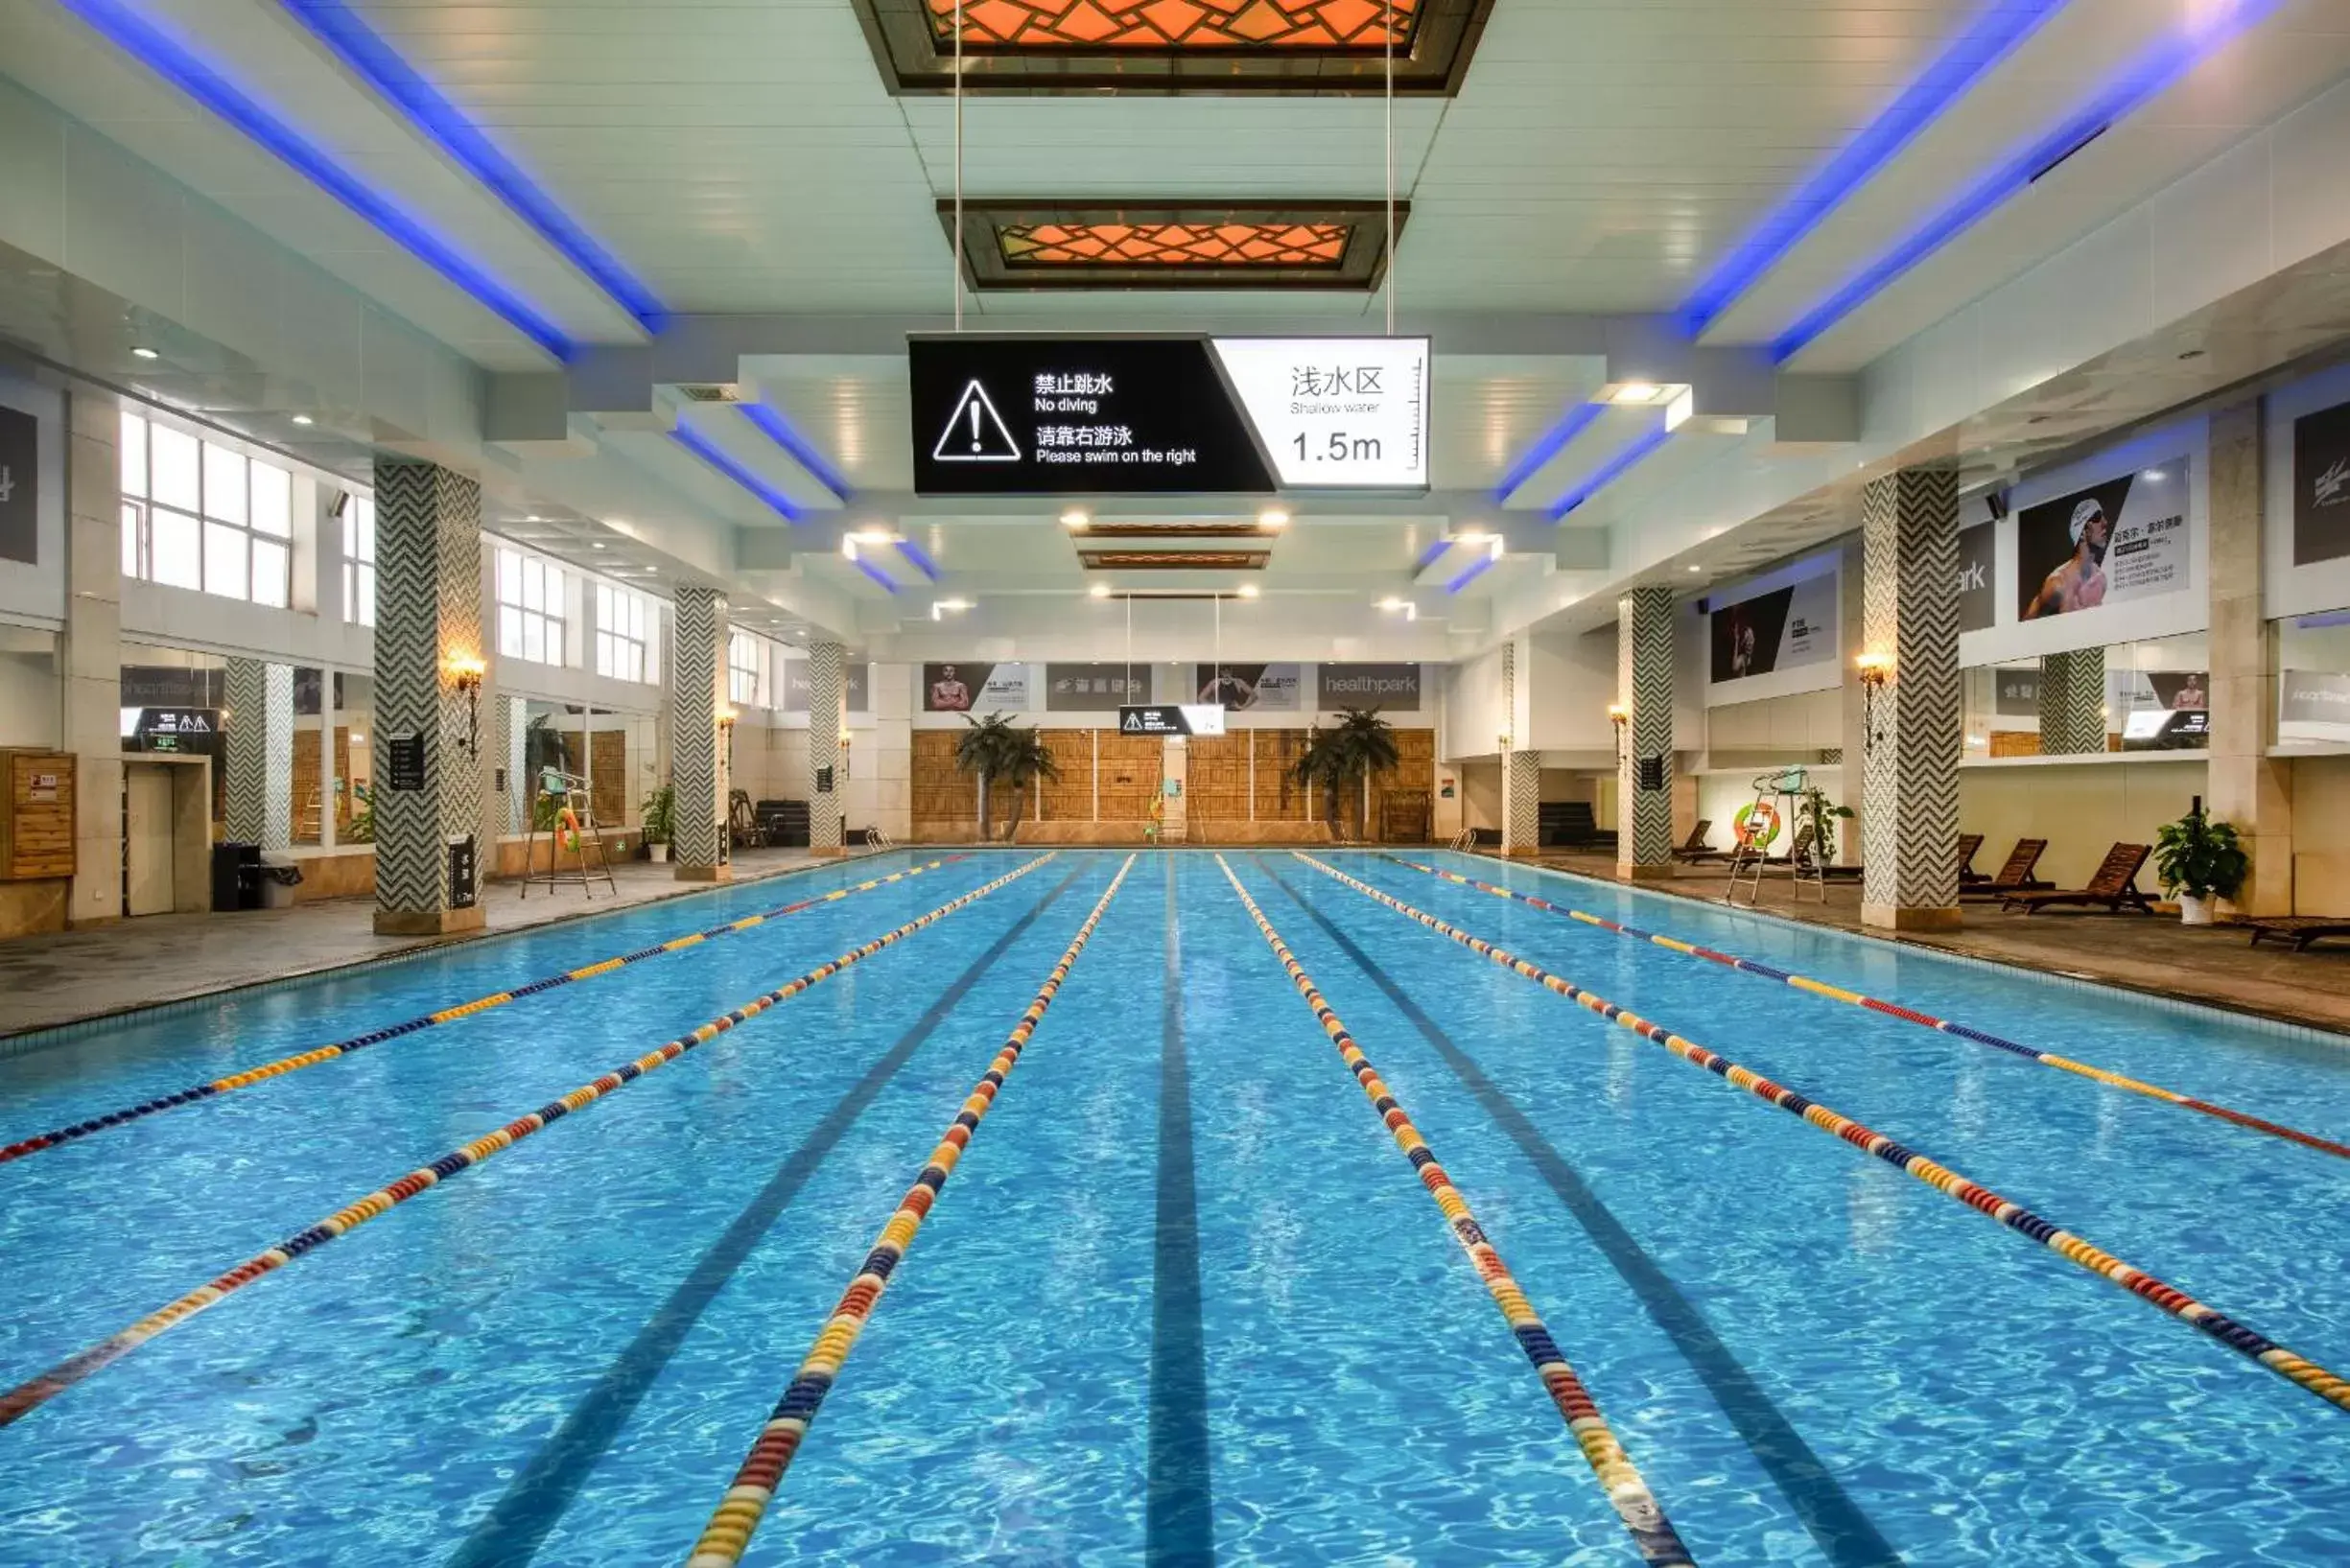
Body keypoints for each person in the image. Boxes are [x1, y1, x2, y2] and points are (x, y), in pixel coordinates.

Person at [2023, 498, 2111, 620]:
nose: (2105, 522)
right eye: (2096, 518)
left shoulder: (2101, 580)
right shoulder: (2058, 584)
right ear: (2082, 532)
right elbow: (2026, 623)